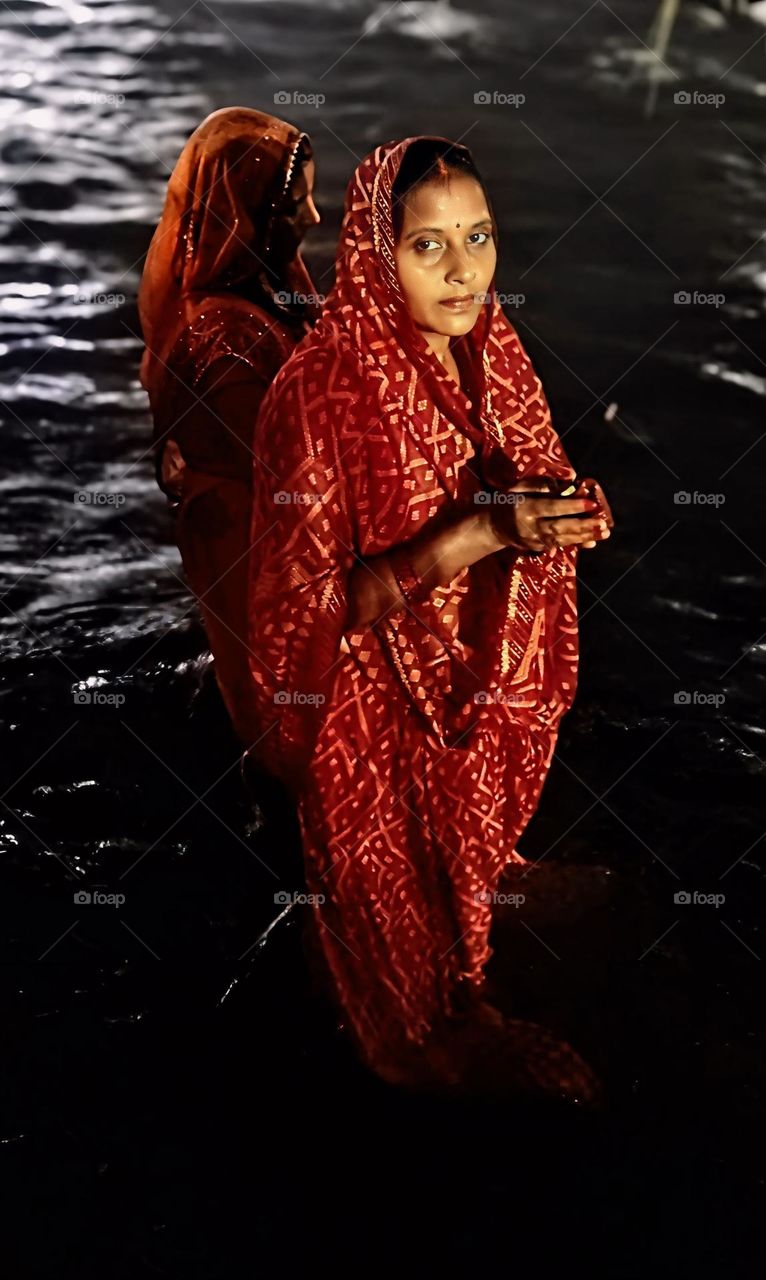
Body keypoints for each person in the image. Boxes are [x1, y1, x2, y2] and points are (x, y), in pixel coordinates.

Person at [245, 136, 615, 1102]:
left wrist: (554, 516)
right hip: (366, 700)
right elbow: (301, 615)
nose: (465, 271)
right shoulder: (319, 393)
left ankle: (488, 880)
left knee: (472, 853)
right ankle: (441, 1034)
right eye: (429, 246)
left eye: (480, 237)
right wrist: (477, 537)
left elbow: (525, 473)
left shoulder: (489, 350)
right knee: (404, 974)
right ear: (376, 253)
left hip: (467, 668)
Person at [138, 107, 321, 745]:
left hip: (264, 535)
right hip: (255, 551)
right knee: (282, 729)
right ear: (251, 210)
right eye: (298, 200)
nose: (313, 217)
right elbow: (277, 469)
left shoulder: (260, 299)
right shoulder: (223, 334)